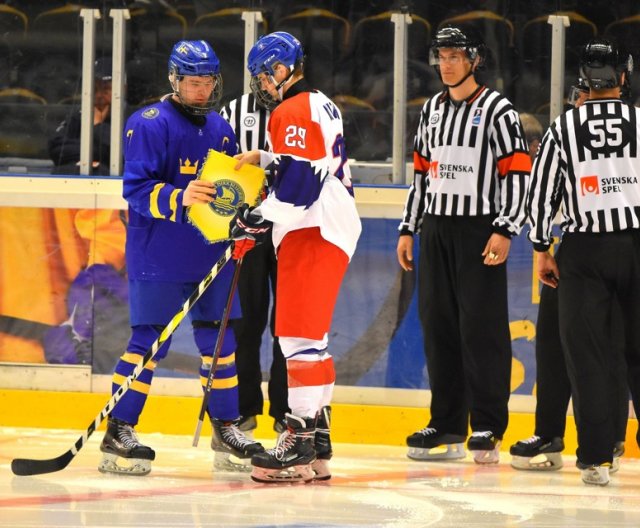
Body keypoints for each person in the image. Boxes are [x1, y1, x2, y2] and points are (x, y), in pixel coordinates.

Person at [98, 40, 264, 476]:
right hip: (159, 255)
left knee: (221, 345)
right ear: (175, 80)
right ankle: (119, 429)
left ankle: (226, 427)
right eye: (194, 82)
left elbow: (226, 194)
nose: (202, 90)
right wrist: (178, 196)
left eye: (208, 81)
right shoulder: (149, 123)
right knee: (149, 343)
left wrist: (242, 217)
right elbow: (134, 190)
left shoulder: (221, 129)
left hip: (210, 254)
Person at [231, 31, 362, 483]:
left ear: (280, 70)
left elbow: (302, 184)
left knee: (297, 338)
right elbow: (308, 163)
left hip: (314, 226)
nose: (261, 86)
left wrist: (256, 216)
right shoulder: (320, 102)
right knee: (312, 338)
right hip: (330, 224)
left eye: (263, 77)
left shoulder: (291, 109)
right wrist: (268, 158)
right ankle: (318, 442)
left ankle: (298, 442)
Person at [397, 25, 531, 465]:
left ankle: (488, 423)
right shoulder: (431, 110)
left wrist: (505, 228)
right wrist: (407, 227)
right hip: (435, 228)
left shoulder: (498, 110)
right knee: (439, 327)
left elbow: (516, 173)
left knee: (482, 329)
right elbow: (421, 175)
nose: (447, 64)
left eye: (455, 56)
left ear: (475, 60)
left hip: (480, 230)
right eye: (442, 56)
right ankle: (447, 423)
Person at [526, 37, 639, 486]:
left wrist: (541, 249)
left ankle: (595, 459)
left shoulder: (563, 128)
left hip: (584, 251)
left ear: (583, 83)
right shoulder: (639, 121)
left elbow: (540, 196)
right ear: (623, 78)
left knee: (588, 357)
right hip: (637, 244)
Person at [510, 80, 628, 473]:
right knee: (553, 342)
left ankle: (609, 437)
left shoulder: (604, 138)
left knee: (607, 347)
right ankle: (550, 431)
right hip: (568, 251)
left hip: (584, 248)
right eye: (576, 99)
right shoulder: (567, 136)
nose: (581, 104)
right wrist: (544, 245)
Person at [220, 92, 290, 436]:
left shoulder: (300, 111)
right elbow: (217, 165)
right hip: (246, 227)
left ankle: (286, 410)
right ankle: (244, 409)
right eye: (261, 73)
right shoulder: (233, 110)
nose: (267, 81)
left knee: (289, 325)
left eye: (273, 72)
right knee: (244, 322)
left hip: (292, 229)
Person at [49, 57, 113, 176]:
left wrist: (97, 125)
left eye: (106, 89)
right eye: (94, 89)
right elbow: (57, 148)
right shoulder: (79, 114)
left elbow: (121, 153)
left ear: (122, 89)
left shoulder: (131, 117)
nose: (99, 96)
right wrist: (98, 152)